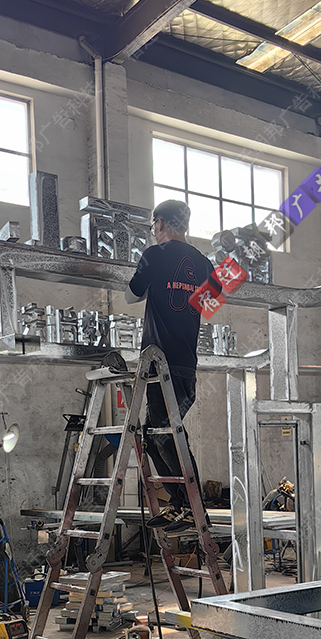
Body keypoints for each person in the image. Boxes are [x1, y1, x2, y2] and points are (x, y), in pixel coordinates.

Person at [125, 198, 220, 533]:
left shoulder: (155, 255)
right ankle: (180, 504)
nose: (154, 230)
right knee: (154, 437)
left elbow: (131, 294)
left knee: (167, 436)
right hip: (180, 365)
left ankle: (194, 508)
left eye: (154, 224)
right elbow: (212, 301)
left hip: (163, 364)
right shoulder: (204, 262)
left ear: (161, 223)